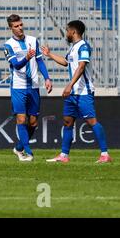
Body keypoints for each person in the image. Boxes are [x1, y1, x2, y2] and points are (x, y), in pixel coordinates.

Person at [41, 20, 112, 163]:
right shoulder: (73, 48)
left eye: (67, 30)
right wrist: (50, 54)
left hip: (83, 91)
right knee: (67, 122)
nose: (66, 33)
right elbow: (66, 62)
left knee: (91, 121)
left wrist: (69, 85)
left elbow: (81, 67)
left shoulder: (83, 47)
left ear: (73, 32)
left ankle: (105, 154)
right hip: (73, 93)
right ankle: (64, 155)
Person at [4, 14, 53, 162]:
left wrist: (47, 78)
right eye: (16, 26)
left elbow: (40, 61)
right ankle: (28, 152)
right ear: (11, 28)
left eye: (20, 25)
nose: (19, 28)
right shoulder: (8, 45)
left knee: (33, 122)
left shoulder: (33, 40)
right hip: (18, 87)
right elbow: (16, 65)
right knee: (21, 118)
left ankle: (19, 148)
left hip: (34, 86)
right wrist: (26, 58)